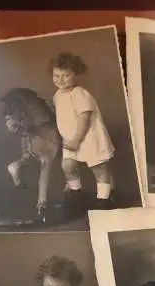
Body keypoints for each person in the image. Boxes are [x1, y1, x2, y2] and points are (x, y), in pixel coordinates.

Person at [49, 52, 116, 211]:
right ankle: (76, 194)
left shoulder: (79, 93)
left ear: (75, 74)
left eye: (65, 75)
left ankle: (103, 200)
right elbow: (63, 116)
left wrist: (76, 140)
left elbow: (83, 119)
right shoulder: (58, 95)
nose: (60, 80)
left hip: (89, 137)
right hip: (71, 139)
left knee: (98, 168)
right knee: (67, 166)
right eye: (56, 75)